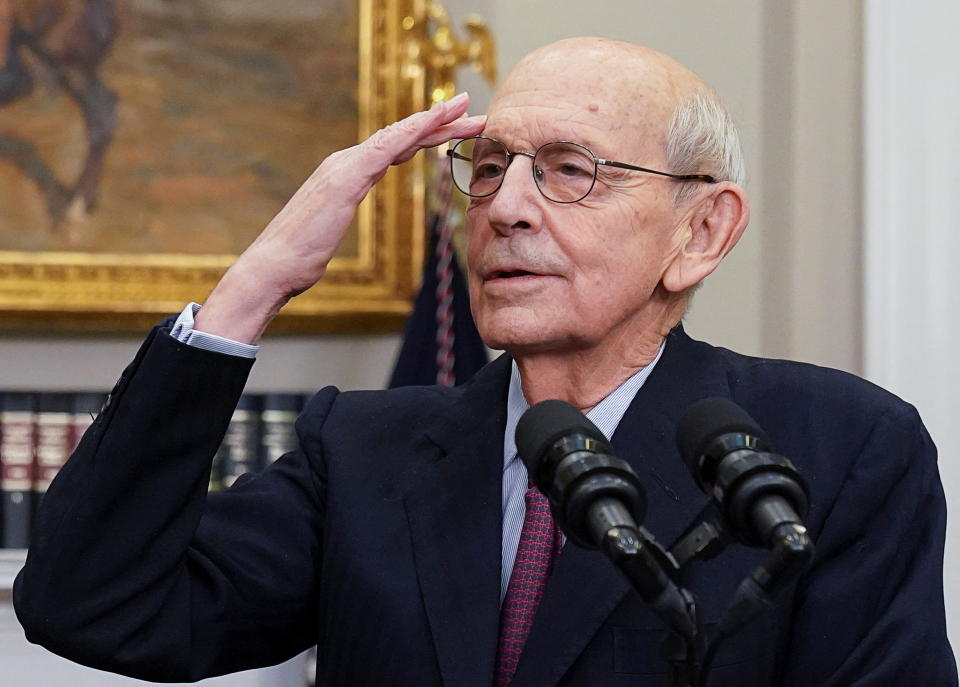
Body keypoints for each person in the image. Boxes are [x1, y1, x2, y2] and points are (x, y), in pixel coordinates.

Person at [13, 37, 957, 686]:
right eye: (492, 166)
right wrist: (251, 288)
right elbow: (89, 601)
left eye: (570, 169)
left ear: (702, 231)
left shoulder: (834, 452)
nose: (506, 206)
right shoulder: (365, 453)